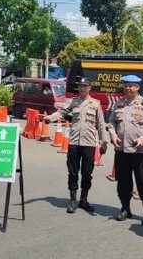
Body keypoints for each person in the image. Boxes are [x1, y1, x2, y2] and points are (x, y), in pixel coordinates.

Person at [45, 76, 108, 213]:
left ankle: (84, 200)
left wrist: (104, 142)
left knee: (87, 173)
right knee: (73, 172)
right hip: (74, 142)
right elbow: (62, 112)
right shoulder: (73, 101)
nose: (82, 88)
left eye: (84, 86)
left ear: (89, 88)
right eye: (80, 86)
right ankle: (73, 200)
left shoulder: (95, 104)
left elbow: (101, 124)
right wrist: (50, 118)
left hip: (89, 143)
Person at [107, 75, 143, 226]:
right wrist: (113, 135)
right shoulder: (119, 104)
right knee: (123, 182)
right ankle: (125, 208)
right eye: (126, 85)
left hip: (139, 151)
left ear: (137, 87)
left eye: (131, 86)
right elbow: (111, 122)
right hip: (121, 150)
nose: (128, 88)